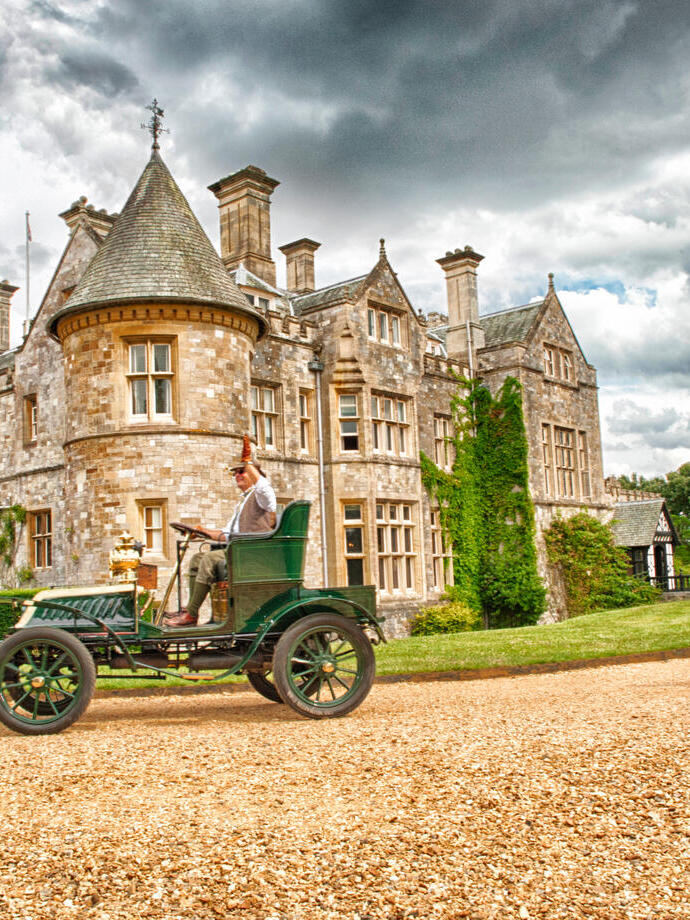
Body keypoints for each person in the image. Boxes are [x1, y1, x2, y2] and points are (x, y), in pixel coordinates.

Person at [165, 454, 277, 627]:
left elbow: (265, 489)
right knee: (197, 559)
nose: (238, 475)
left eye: (242, 472)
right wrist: (201, 531)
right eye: (236, 473)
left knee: (210, 559)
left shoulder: (260, 496)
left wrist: (248, 463)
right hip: (238, 552)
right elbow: (227, 534)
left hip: (253, 555)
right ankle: (190, 611)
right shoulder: (243, 501)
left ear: (254, 473)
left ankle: (191, 615)